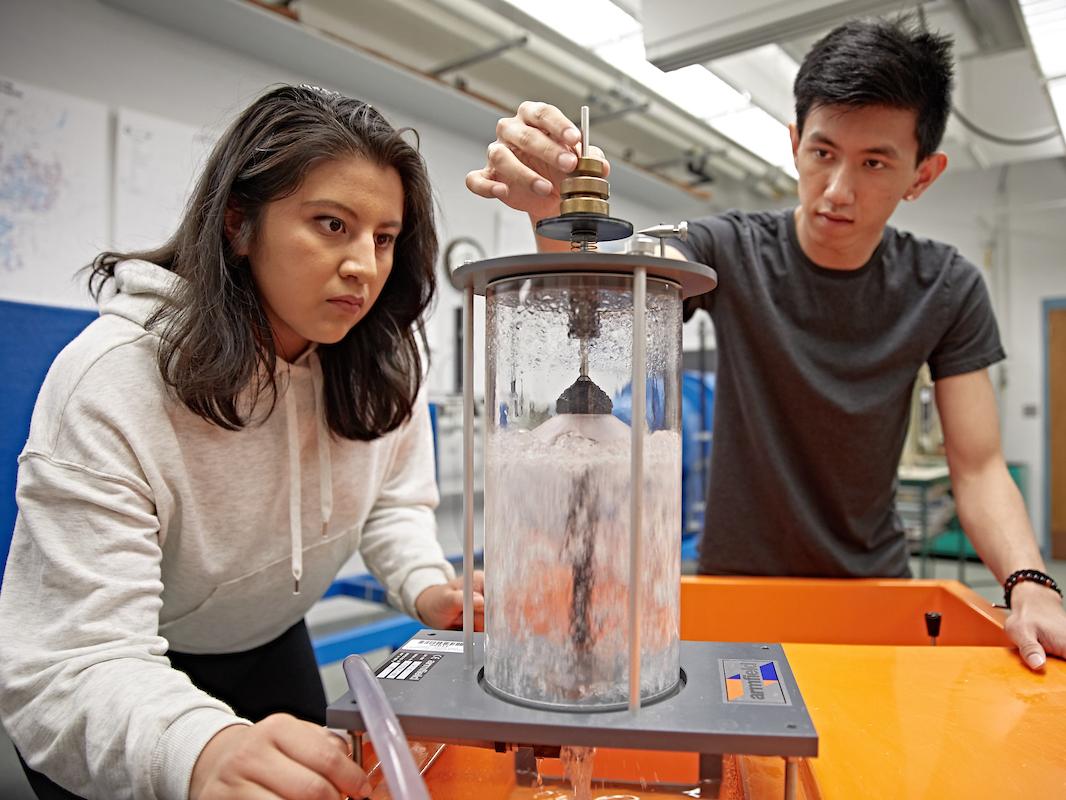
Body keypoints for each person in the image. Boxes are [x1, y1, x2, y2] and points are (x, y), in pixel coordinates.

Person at [466, 18, 1066, 670]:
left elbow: (977, 466)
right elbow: (618, 296)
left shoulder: (946, 286)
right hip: (736, 589)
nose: (838, 190)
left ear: (923, 174)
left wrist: (1029, 583)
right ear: (795, 144)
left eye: (874, 163)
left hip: (871, 592)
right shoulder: (730, 248)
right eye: (823, 153)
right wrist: (556, 217)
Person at [0, 84, 484, 800]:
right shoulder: (112, 381)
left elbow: (390, 499)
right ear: (238, 224)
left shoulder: (375, 363)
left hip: (268, 643)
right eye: (330, 224)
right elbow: (73, 658)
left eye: (383, 238)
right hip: (113, 682)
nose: (365, 266)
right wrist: (200, 749)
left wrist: (428, 584)